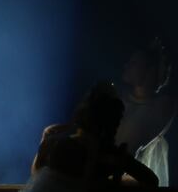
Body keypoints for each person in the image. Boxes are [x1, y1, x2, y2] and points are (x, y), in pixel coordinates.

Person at [30, 81, 158, 189]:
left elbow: (37, 176)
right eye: (117, 122)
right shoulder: (108, 153)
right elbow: (151, 180)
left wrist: (44, 142)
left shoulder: (56, 143)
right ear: (111, 124)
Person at [115, 38, 176, 186]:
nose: (127, 66)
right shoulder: (118, 98)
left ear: (150, 70)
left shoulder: (159, 108)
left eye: (134, 63)